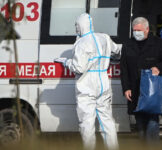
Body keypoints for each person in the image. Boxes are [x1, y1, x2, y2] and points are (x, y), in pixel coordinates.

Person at [54, 13, 120, 150]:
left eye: (76, 26)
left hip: (87, 86)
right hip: (103, 84)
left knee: (86, 124)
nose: (75, 29)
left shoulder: (82, 43)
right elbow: (118, 52)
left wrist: (66, 62)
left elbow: (79, 67)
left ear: (80, 26)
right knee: (107, 122)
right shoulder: (105, 38)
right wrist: (108, 60)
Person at [120, 17, 162, 142]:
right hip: (135, 90)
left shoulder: (159, 43)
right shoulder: (128, 45)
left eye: (139, 30)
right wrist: (126, 88)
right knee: (140, 126)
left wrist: (159, 68)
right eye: (134, 30)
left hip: (152, 91)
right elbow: (124, 69)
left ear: (147, 29)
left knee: (152, 123)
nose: (136, 32)